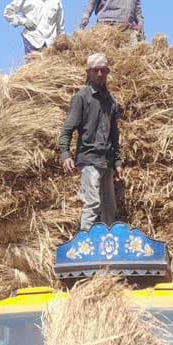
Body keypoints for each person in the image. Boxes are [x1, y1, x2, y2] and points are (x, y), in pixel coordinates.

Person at [59, 53, 121, 231]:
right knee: (92, 203)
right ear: (89, 73)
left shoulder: (111, 101)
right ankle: (84, 243)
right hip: (88, 159)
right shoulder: (82, 97)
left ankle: (108, 249)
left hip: (106, 162)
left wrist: (117, 161)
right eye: (96, 71)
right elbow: (67, 129)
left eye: (104, 70)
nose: (100, 74)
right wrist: (65, 154)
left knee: (110, 208)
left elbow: (114, 135)